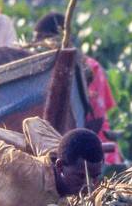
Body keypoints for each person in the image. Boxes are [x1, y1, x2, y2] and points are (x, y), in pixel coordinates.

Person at [33, 12, 124, 166]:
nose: (35, 47)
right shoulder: (42, 69)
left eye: (39, 41)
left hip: (92, 150)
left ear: (55, 39)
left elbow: (96, 120)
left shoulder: (89, 67)